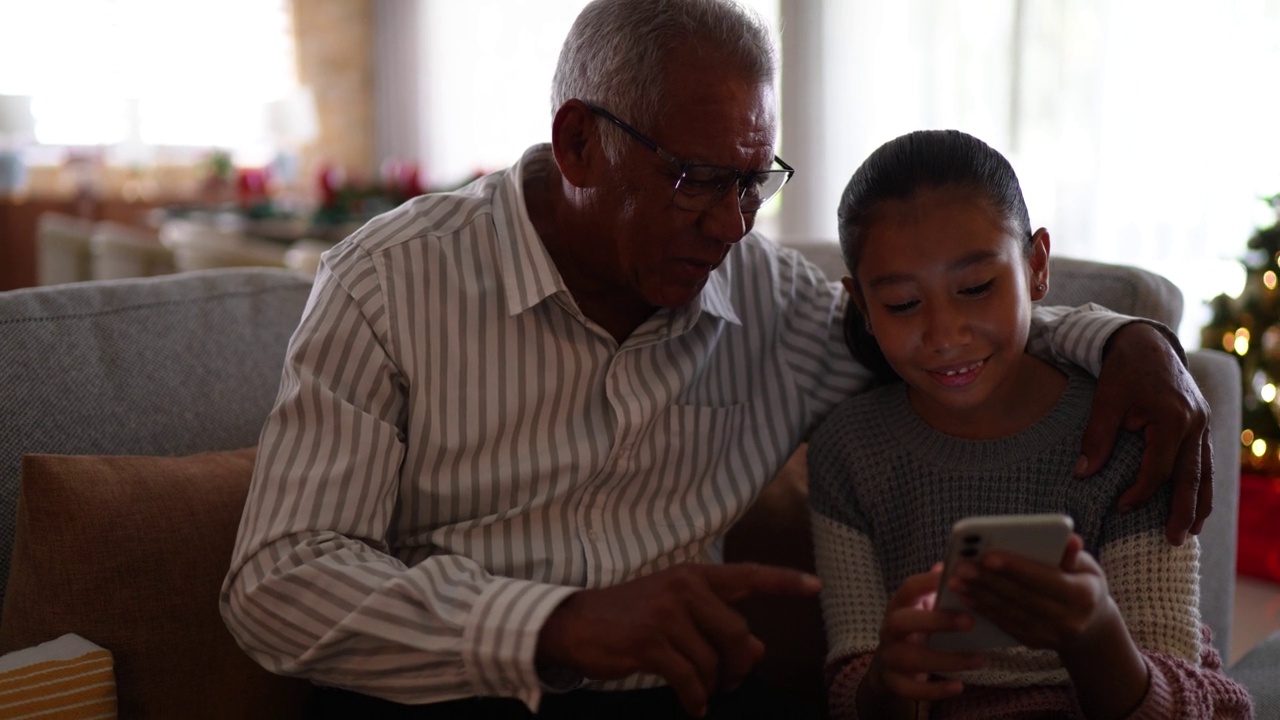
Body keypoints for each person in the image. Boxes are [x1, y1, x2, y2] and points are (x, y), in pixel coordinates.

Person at [220, 1, 1213, 718]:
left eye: (753, 183)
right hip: (443, 696)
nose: (729, 227)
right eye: (696, 180)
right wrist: (552, 624)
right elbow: (276, 584)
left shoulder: (766, 302)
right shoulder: (386, 285)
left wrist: (1129, 341)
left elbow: (937, 334)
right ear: (576, 144)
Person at [807, 129, 1251, 719]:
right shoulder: (850, 448)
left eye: (976, 288)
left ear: (1036, 265)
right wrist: (889, 677)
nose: (945, 335)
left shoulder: (1128, 425)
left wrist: (1093, 634)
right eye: (902, 304)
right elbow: (854, 691)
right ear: (861, 305)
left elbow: (1177, 697)